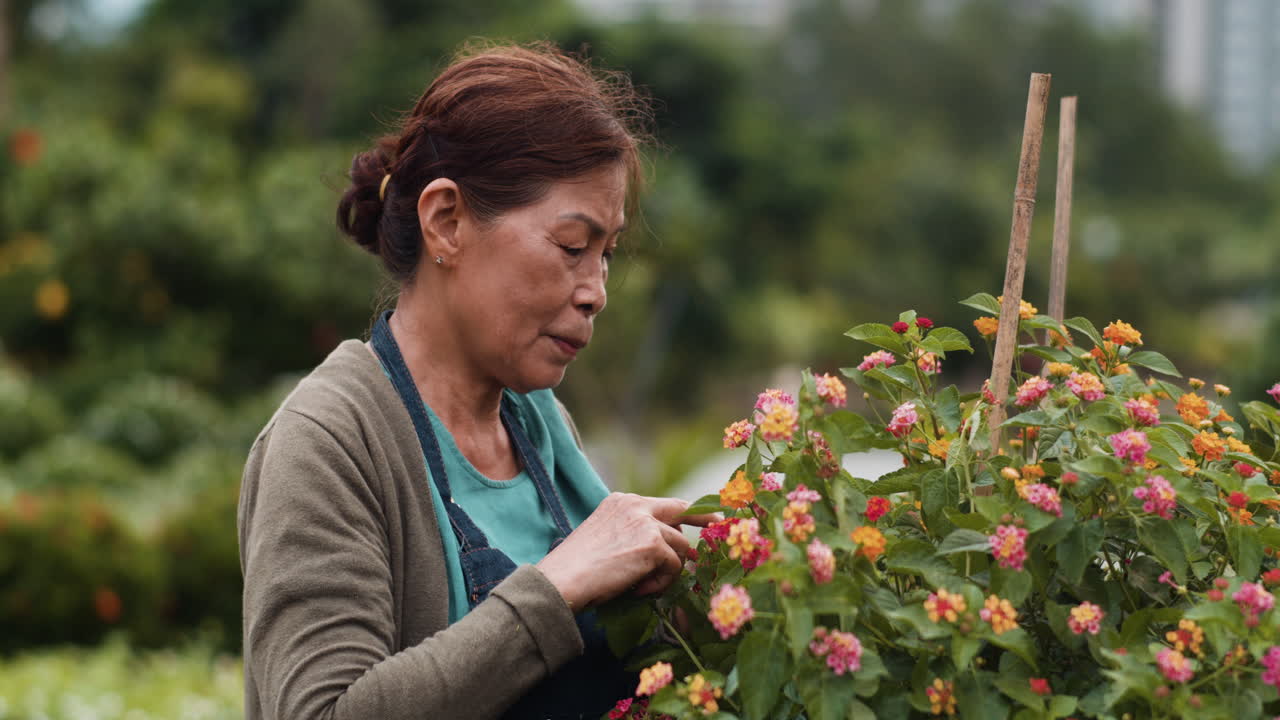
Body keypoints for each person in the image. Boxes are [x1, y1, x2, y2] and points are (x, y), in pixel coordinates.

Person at [237, 43, 714, 720]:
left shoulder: (537, 421)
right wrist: (555, 589)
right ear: (447, 222)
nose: (596, 292)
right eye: (572, 247)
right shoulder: (329, 441)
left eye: (606, 255)